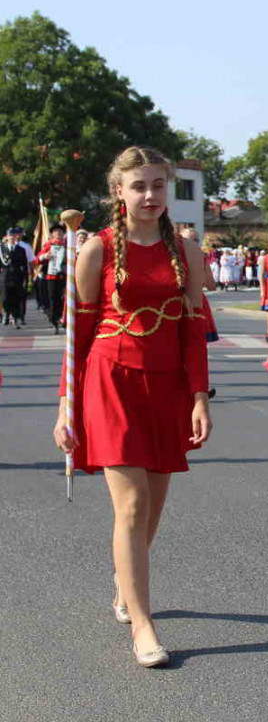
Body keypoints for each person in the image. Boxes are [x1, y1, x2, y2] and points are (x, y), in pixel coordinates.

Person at [52, 145, 211, 667]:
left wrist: (198, 397)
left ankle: (126, 587)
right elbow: (77, 338)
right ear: (118, 191)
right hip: (110, 380)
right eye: (139, 186)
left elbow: (193, 331)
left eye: (158, 186)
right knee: (133, 504)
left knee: (155, 505)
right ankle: (143, 624)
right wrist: (64, 406)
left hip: (167, 384)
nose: (150, 195)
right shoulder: (95, 251)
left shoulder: (187, 253)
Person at [36, 225, 68, 334]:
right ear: (52, 234)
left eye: (60, 232)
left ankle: (63, 319)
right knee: (53, 299)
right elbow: (37, 259)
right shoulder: (48, 245)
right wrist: (45, 256)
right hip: (52, 276)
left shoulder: (67, 245)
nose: (58, 234)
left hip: (65, 276)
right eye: (56, 232)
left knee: (64, 299)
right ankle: (54, 321)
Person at [2, 229, 30, 327]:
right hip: (5, 277)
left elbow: (24, 265)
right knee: (5, 298)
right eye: (10, 236)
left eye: (14, 236)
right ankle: (6, 313)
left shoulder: (21, 250)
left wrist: (26, 279)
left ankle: (14, 318)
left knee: (16, 299)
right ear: (7, 237)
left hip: (17, 277)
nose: (12, 238)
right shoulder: (2, 249)